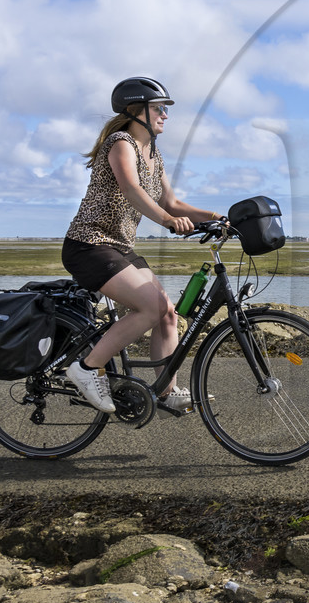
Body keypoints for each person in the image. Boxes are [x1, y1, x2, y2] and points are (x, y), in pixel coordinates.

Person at [61, 77, 218, 415]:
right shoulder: (121, 143)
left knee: (168, 314)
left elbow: (173, 203)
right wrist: (166, 222)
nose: (165, 115)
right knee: (150, 307)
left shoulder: (154, 153)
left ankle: (166, 391)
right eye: (159, 108)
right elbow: (132, 189)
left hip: (119, 246)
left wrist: (220, 217)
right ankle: (87, 369)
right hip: (89, 244)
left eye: (166, 109)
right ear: (137, 110)